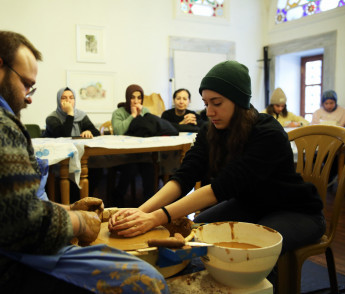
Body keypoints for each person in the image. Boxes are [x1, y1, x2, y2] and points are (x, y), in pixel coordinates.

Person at [0, 31, 167, 294]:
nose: (29, 97)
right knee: (145, 281)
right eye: (26, 85)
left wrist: (66, 207)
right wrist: (78, 221)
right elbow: (19, 225)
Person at [109, 61, 325, 272]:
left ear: (239, 101)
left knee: (258, 247)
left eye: (217, 103)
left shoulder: (268, 132)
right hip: (252, 205)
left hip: (295, 210)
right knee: (198, 227)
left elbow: (220, 189)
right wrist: (141, 211)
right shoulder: (210, 131)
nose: (209, 111)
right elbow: (184, 177)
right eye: (206, 103)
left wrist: (156, 217)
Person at [43, 87, 102, 201]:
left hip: (80, 157)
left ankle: (84, 199)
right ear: (58, 101)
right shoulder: (52, 118)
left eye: (71, 98)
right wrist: (70, 114)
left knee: (97, 169)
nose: (68, 101)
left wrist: (89, 131)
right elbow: (64, 135)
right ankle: (70, 202)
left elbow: (96, 132)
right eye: (64, 98)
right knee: (68, 171)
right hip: (59, 159)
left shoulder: (81, 115)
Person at [110, 84, 155, 207]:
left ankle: (149, 205)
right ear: (127, 98)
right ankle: (118, 199)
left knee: (149, 168)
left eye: (139, 98)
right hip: (123, 155)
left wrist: (140, 115)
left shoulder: (145, 111)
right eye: (132, 97)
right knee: (130, 168)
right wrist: (133, 116)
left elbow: (151, 129)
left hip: (142, 154)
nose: (136, 101)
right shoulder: (118, 113)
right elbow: (119, 131)